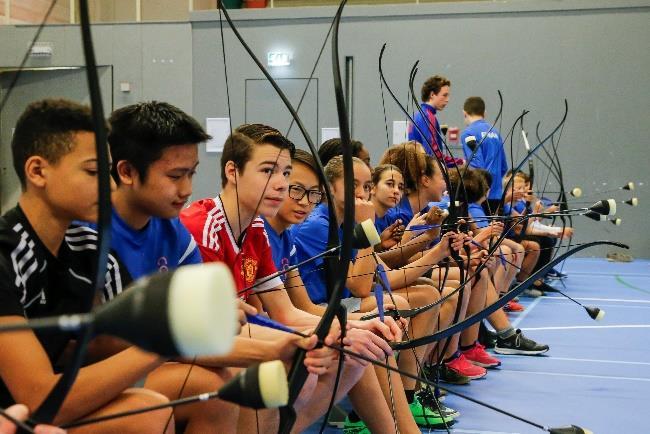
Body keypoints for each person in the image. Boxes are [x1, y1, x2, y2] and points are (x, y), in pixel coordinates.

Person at [180, 124, 399, 433]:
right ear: (232, 171)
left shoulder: (255, 229)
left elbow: (287, 312)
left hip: (233, 337)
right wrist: (326, 334)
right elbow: (208, 332)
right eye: (269, 171)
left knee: (354, 354)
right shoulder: (202, 228)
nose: (282, 186)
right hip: (192, 351)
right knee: (293, 363)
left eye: (285, 174)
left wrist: (354, 327)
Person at [0, 99, 174, 433]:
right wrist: (167, 343)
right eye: (94, 172)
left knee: (148, 406)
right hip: (17, 414)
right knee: (145, 412)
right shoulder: (4, 254)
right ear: (37, 171)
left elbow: (109, 341)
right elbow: (40, 399)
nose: (110, 186)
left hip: (36, 416)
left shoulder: (89, 248)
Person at [460, 96, 509, 214]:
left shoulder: (469, 133)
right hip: (496, 194)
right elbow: (504, 167)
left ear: (464, 113)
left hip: (480, 195)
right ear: (484, 113)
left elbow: (476, 165)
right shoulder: (495, 133)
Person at [408, 75, 463, 167]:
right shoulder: (428, 116)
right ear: (432, 94)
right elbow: (434, 155)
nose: (447, 100)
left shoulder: (418, 114)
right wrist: (461, 162)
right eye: (444, 95)